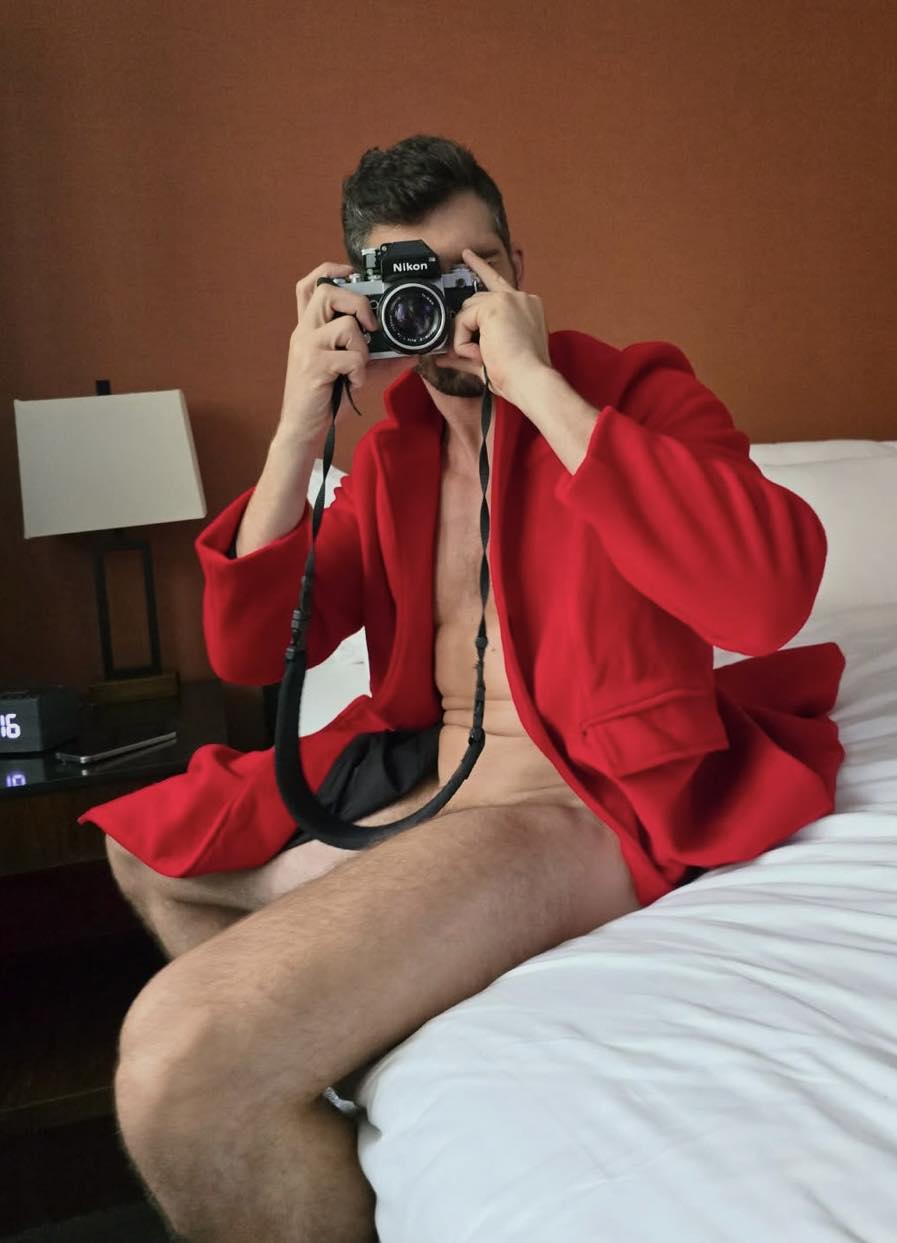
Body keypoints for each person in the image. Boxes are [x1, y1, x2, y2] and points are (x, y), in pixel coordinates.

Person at [82, 135, 845, 1242]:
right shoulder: (392, 453)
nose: (447, 309)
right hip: (428, 784)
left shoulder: (635, 392)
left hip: (573, 805)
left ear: (518, 272)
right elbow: (250, 649)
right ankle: (319, 1063)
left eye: (471, 271)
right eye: (415, 282)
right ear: (364, 296)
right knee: (143, 848)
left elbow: (766, 597)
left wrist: (536, 384)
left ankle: (275, 1054)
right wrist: (300, 421)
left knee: (177, 1059)